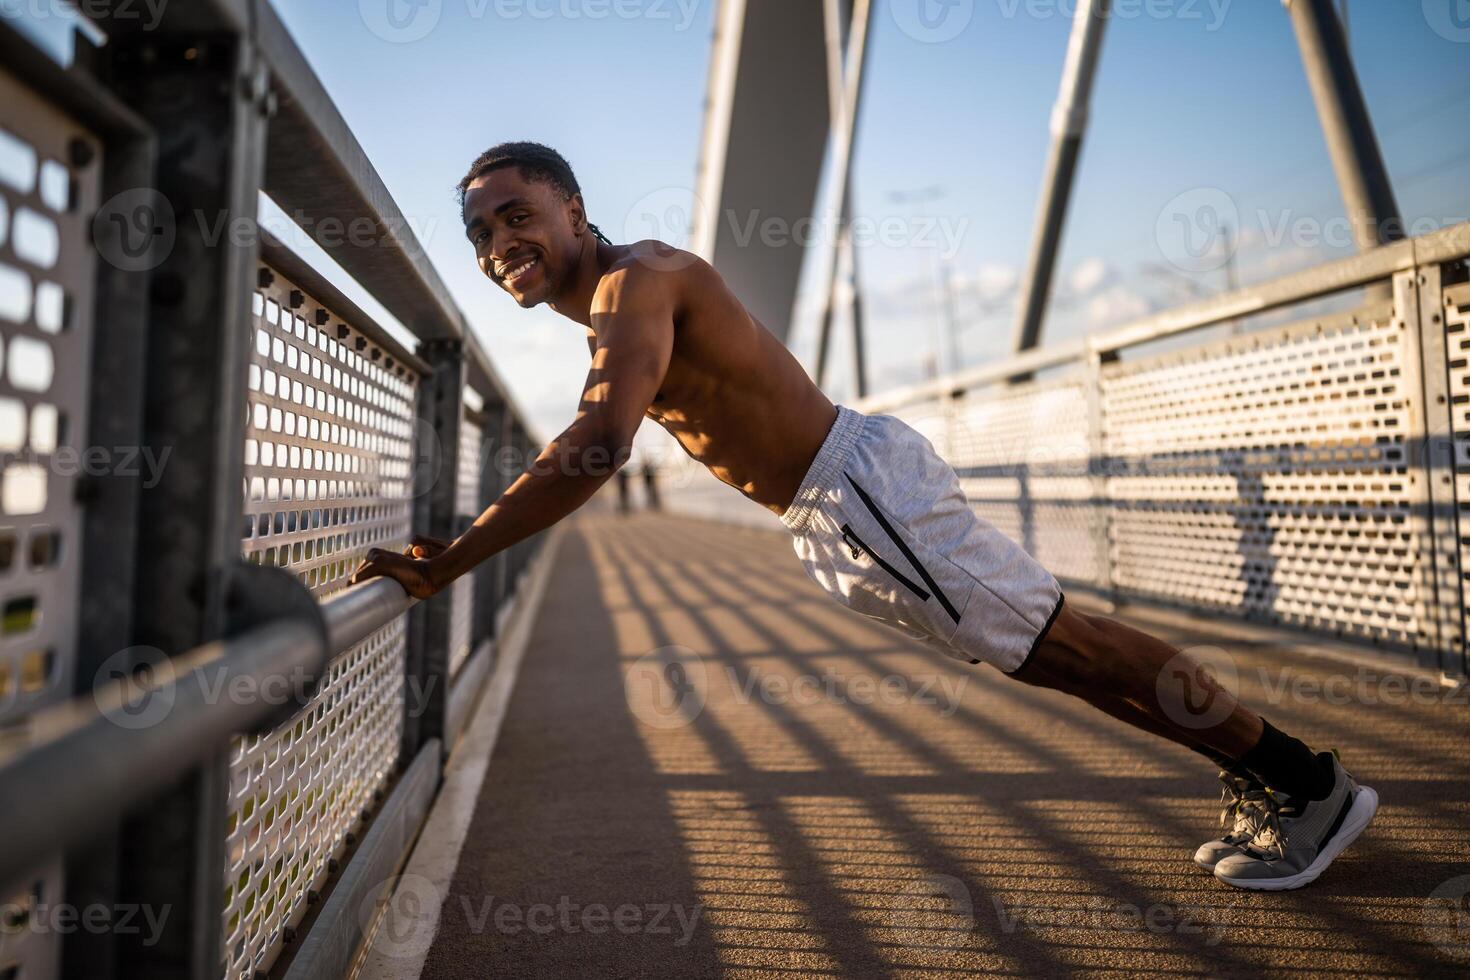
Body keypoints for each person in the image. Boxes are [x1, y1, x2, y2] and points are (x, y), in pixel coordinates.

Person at [351, 143, 1376, 890]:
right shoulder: (628, 291)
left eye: (516, 212)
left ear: (573, 207)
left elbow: (595, 446)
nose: (501, 241)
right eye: (481, 233)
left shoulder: (634, 285)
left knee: (1071, 642)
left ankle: (1302, 777)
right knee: (1057, 655)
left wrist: (459, 556)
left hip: (859, 494)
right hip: (843, 506)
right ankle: (1269, 774)